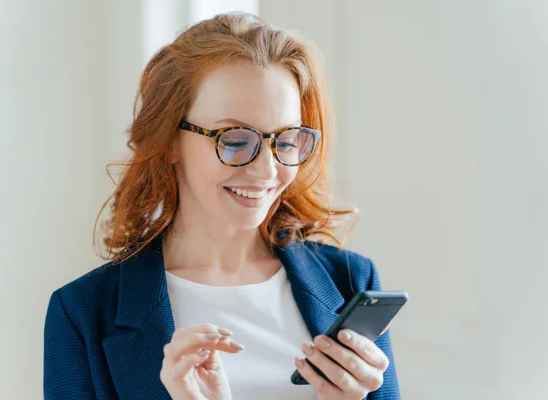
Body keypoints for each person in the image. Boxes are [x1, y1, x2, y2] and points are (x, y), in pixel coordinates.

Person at [43, 12, 400, 400]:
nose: (267, 169)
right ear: (169, 141)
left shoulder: (350, 282)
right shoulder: (82, 313)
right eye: (234, 139)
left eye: (286, 139)